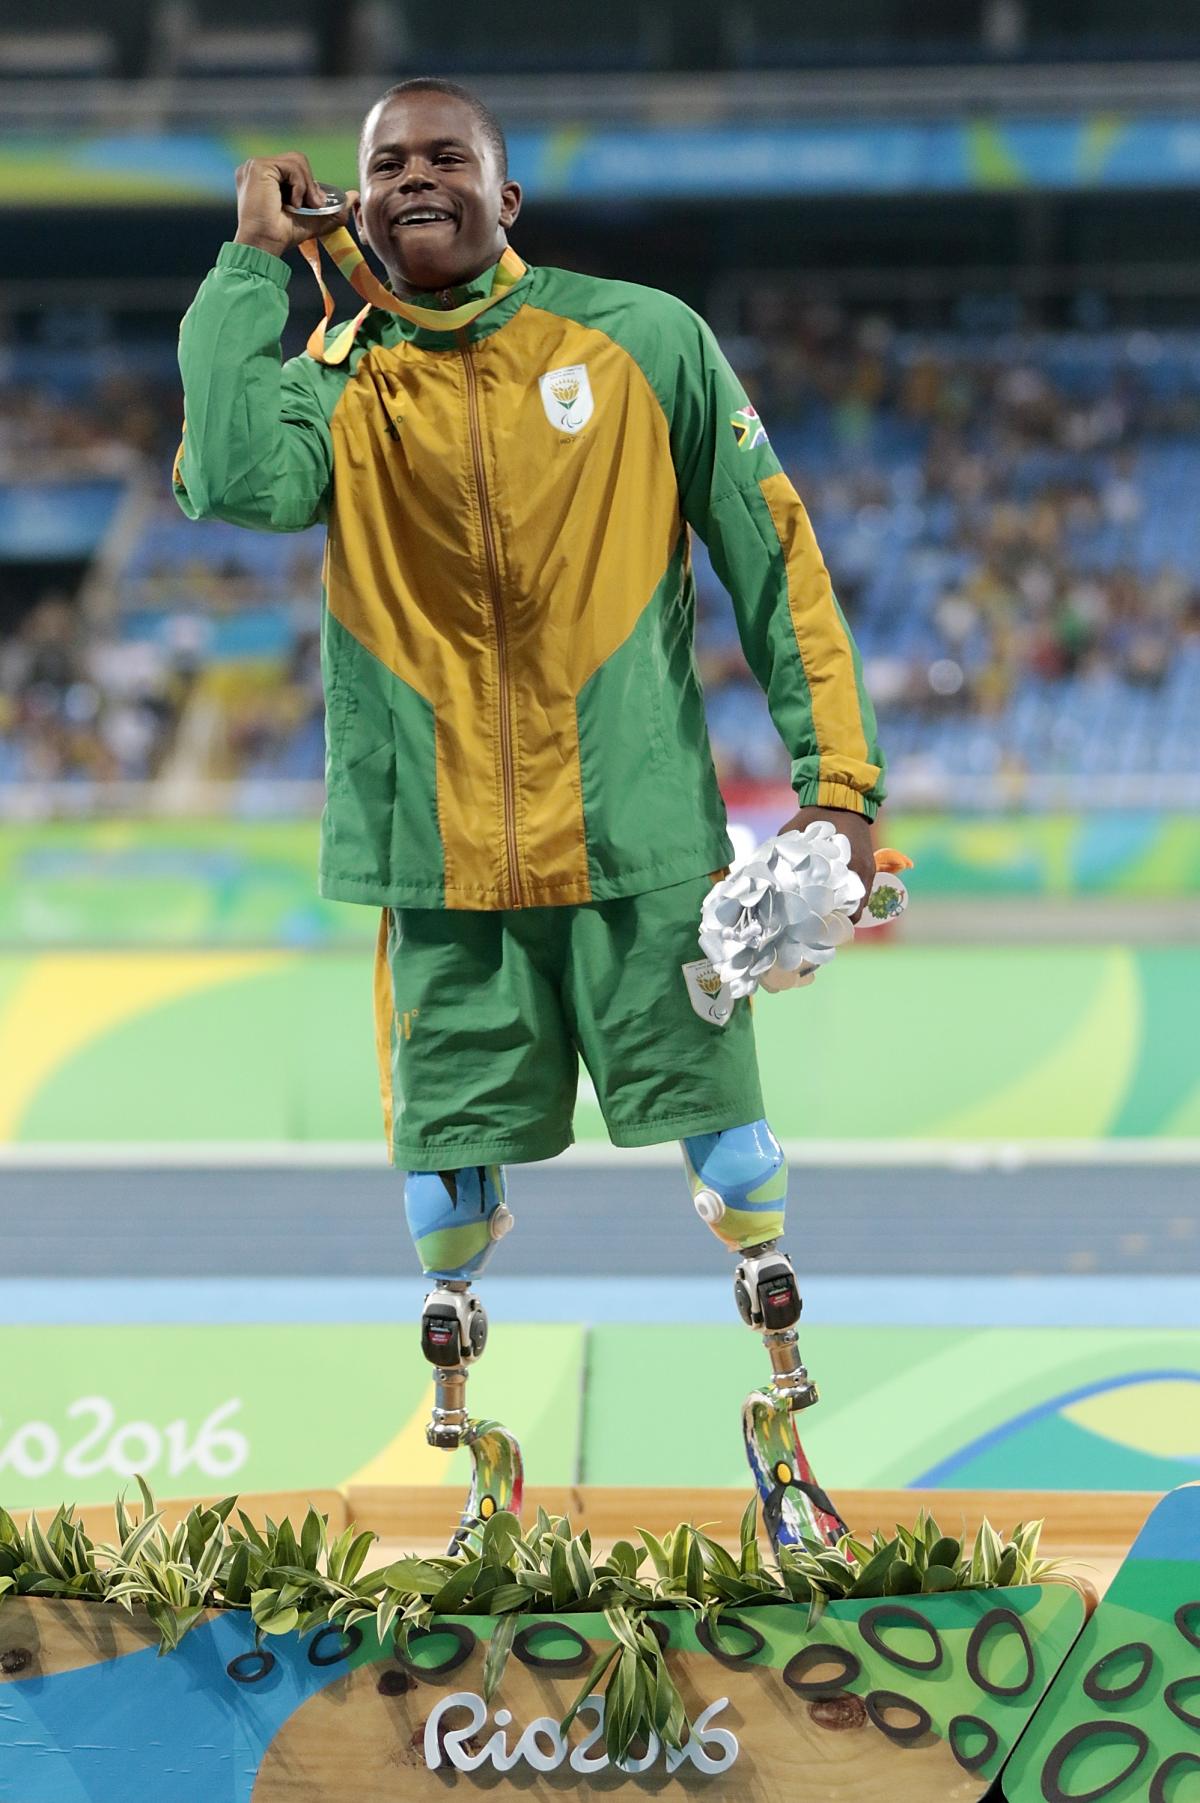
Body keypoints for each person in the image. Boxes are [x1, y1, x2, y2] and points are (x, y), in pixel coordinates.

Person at [174, 78, 885, 1527]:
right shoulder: (339, 372)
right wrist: (255, 265)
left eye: (450, 157)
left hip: (639, 852)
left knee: (738, 1157)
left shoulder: (642, 340)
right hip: (436, 864)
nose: (415, 176)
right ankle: (469, 1470)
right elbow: (236, 477)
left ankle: (791, 1439)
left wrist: (843, 790)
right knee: (447, 1200)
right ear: (352, 203)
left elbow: (776, 557)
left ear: (508, 201)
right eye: (386, 164)